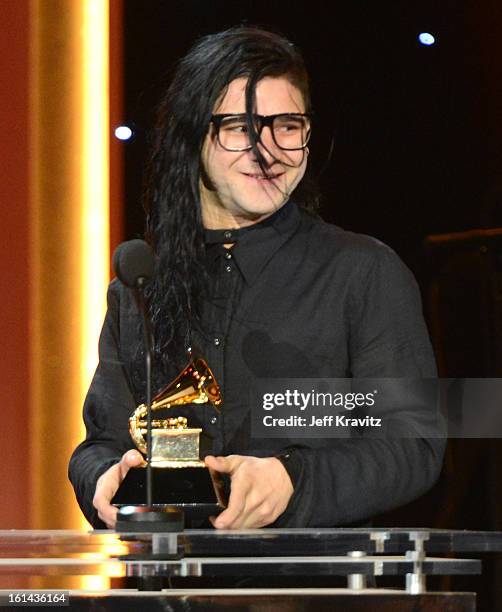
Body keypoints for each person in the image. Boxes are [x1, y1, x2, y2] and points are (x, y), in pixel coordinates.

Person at [69, 26, 445, 530]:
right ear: (192, 137)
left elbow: (415, 445)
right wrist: (103, 480)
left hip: (315, 594)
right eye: (240, 128)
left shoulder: (365, 272)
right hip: (168, 591)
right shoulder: (140, 285)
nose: (267, 152)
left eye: (287, 126)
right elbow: (100, 444)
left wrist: (293, 479)